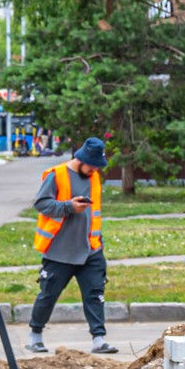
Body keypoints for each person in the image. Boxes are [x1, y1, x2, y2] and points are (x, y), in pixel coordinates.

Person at [26, 136, 117, 355]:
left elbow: (94, 214)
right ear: (82, 159)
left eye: (98, 166)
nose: (95, 169)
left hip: (91, 249)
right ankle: (35, 336)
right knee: (48, 295)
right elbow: (41, 204)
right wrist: (68, 206)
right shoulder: (57, 175)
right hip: (60, 251)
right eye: (92, 165)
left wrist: (99, 244)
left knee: (95, 294)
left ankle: (99, 339)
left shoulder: (93, 177)